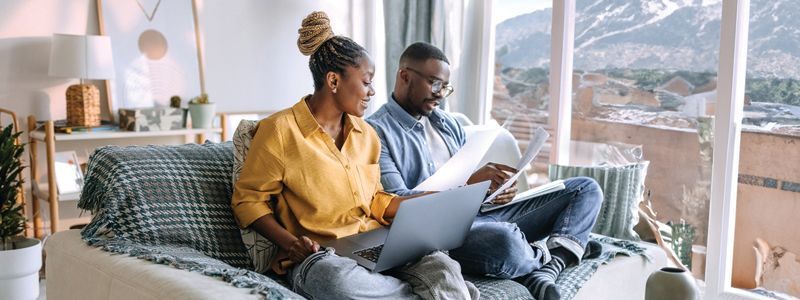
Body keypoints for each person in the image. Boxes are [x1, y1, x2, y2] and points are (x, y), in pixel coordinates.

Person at [232, 13, 477, 300]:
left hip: (375, 242)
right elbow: (248, 201)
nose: (373, 92)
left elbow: (374, 200)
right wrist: (293, 243)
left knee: (442, 264)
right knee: (336, 282)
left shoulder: (366, 134)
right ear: (334, 80)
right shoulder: (280, 130)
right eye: (366, 82)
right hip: (322, 254)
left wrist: (426, 203)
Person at [366, 42, 603, 300]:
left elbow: (463, 176)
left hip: (481, 214)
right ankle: (560, 252)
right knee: (504, 240)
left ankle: (545, 268)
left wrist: (494, 190)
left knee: (585, 188)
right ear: (405, 76)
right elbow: (398, 207)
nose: (440, 95)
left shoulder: (447, 123)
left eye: (445, 87)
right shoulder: (376, 133)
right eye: (435, 84)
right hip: (439, 236)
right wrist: (468, 187)